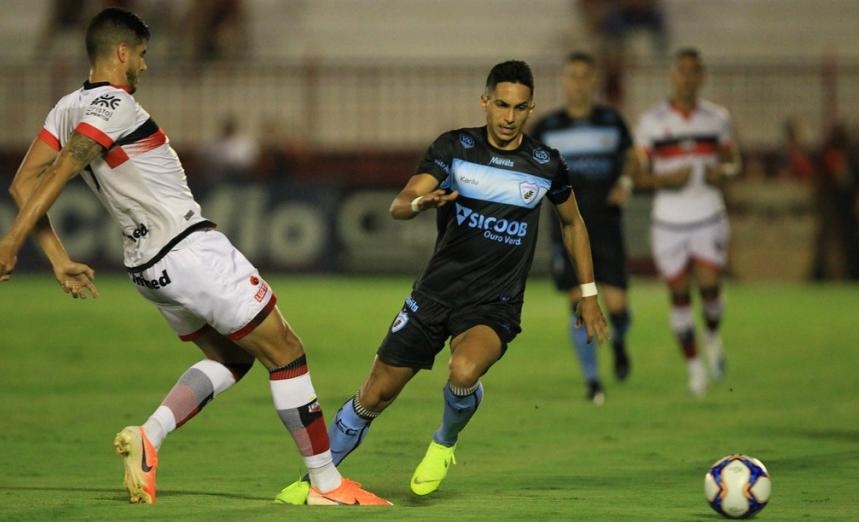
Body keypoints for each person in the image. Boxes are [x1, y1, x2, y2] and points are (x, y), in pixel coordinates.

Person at [0, 8, 388, 506]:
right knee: (286, 352)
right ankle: (327, 485)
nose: (145, 66)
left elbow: (21, 182)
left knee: (233, 358)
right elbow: (69, 163)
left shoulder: (65, 106)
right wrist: (12, 241)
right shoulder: (112, 104)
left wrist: (55, 258)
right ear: (121, 53)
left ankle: (150, 436)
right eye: (141, 55)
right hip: (187, 250)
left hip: (149, 267)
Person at [275, 60, 609, 504]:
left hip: (495, 302)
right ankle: (318, 480)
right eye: (502, 105)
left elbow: (573, 224)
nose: (509, 118)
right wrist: (420, 203)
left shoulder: (545, 164)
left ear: (532, 109)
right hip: (435, 294)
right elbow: (399, 204)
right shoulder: (455, 148)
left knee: (464, 369)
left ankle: (444, 443)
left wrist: (588, 294)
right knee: (375, 394)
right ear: (485, 101)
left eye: (520, 108)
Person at [633, 48, 741, 397]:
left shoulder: (716, 118)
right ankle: (695, 369)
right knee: (679, 294)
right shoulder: (651, 121)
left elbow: (734, 163)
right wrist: (665, 180)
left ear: (702, 77)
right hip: (668, 221)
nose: (688, 77)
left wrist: (721, 171)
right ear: (673, 75)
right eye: (682, 71)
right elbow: (637, 175)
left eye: (694, 71)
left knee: (710, 292)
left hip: (708, 215)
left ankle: (711, 336)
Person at [532, 52, 636, 405]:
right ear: (564, 81)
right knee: (579, 303)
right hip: (566, 228)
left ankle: (620, 341)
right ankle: (593, 382)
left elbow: (633, 158)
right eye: (572, 75)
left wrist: (625, 183)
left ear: (594, 81)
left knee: (618, 307)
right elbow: (527, 169)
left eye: (584, 76)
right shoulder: (546, 127)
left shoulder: (611, 121)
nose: (577, 82)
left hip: (606, 226)